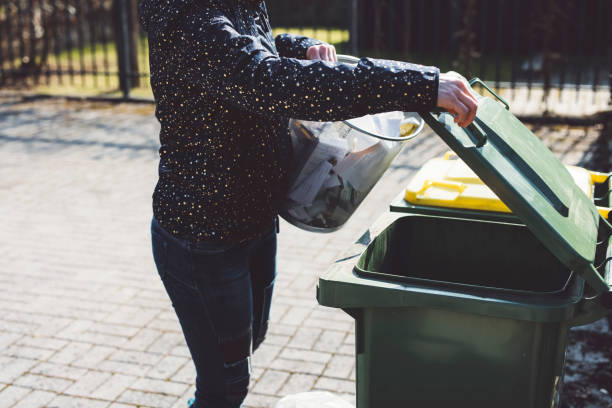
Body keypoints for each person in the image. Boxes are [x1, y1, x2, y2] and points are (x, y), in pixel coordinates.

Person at [139, 0, 478, 407]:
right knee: (224, 389)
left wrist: (302, 48)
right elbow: (269, 80)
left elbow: (261, 47)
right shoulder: (189, 19)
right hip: (204, 239)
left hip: (256, 221)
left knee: (248, 342)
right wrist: (418, 85)